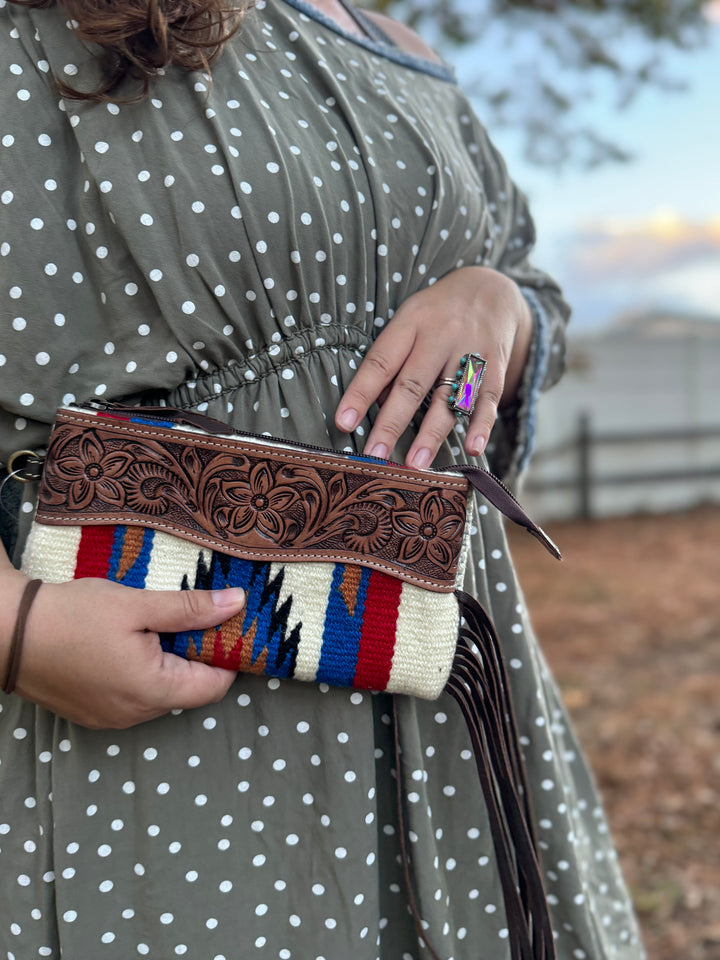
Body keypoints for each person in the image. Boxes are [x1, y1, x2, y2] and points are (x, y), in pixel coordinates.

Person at [0, 0, 644, 957]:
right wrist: (15, 630)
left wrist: (494, 305)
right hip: (152, 728)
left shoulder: (399, 47)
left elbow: (528, 281)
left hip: (442, 677)